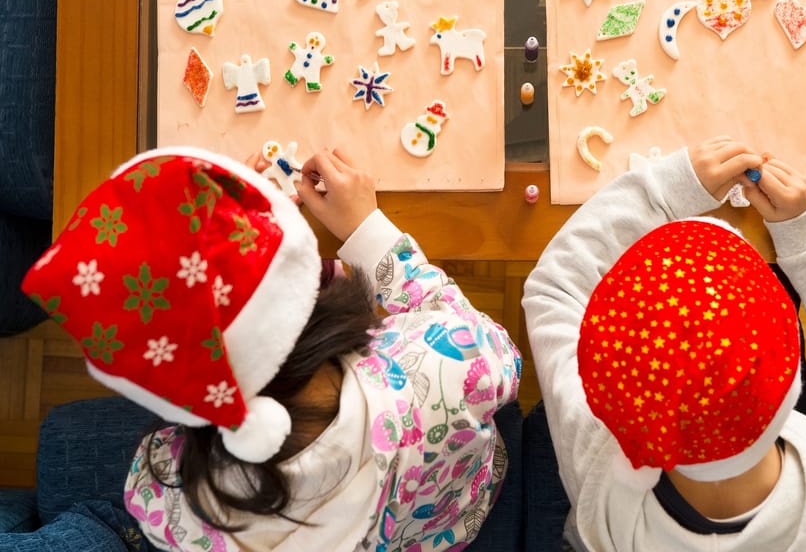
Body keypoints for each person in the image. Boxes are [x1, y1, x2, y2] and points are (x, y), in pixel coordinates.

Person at [21, 145, 522, 551]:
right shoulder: (445, 365)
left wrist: (223, 241)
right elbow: (498, 352)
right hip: (452, 510)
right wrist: (368, 231)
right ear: (316, 292)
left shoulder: (165, 497)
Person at [521, 136, 806, 551]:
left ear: (601, 391)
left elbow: (554, 290)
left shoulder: (599, 466)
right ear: (791, 373)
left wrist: (664, 192)